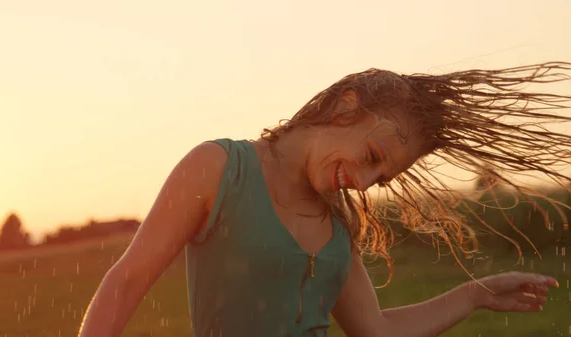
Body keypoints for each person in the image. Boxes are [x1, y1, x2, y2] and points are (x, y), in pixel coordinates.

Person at [78, 62, 571, 337]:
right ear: (345, 105)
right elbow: (126, 282)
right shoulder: (219, 169)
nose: (364, 181)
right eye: (372, 155)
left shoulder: (339, 225)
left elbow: (374, 331)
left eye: (380, 177)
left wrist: (476, 294)